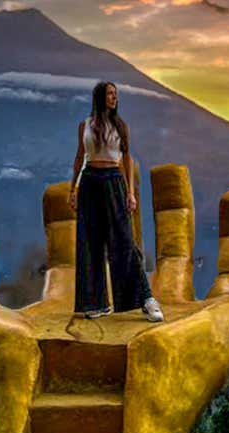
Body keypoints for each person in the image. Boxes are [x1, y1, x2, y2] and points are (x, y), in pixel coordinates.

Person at [68, 81, 164, 322]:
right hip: (90, 182)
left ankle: (146, 298)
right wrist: (73, 188)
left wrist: (130, 192)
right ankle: (95, 303)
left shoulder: (121, 126)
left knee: (124, 241)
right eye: (110, 94)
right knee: (91, 242)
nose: (114, 98)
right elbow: (80, 157)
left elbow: (127, 159)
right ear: (100, 97)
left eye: (116, 94)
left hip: (113, 180)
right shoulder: (85, 126)